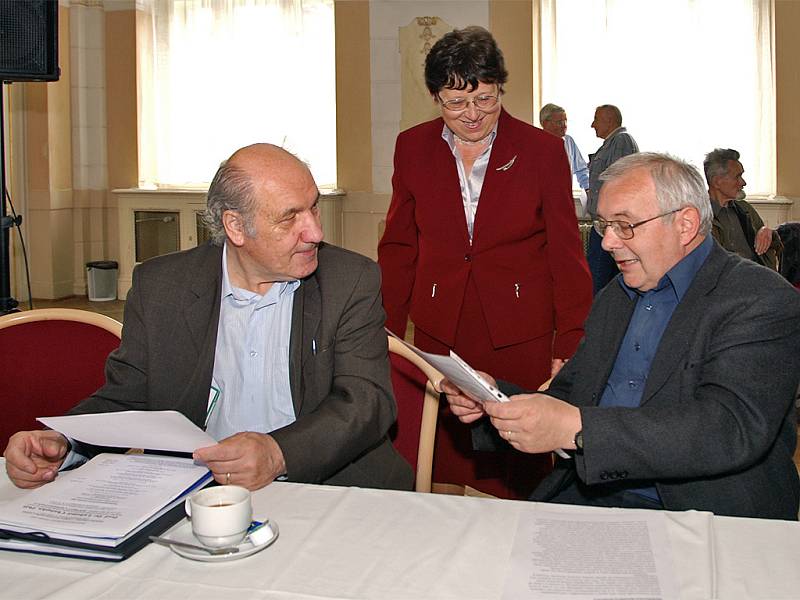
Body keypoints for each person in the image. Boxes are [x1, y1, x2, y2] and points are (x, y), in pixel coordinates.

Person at [5, 143, 413, 492]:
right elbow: (126, 397)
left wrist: (278, 452)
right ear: (235, 226)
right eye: (290, 217)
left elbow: (366, 401)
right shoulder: (162, 287)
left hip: (327, 486)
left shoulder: (349, 280)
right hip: (196, 489)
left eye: (313, 209)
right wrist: (62, 439)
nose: (314, 232)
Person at [443, 152, 800, 519]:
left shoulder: (760, 298)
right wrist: (496, 401)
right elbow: (571, 394)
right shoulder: (619, 294)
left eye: (625, 225)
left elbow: (727, 427)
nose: (608, 242)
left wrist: (577, 429)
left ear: (685, 224)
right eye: (604, 225)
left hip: (708, 514)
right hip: (593, 494)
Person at [378, 26, 592, 499]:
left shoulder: (541, 151)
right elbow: (400, 246)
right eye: (456, 103)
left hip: (520, 329)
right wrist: (386, 332)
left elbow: (565, 251)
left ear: (500, 90)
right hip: (441, 327)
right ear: (435, 97)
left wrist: (570, 338)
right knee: (447, 461)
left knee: (518, 463)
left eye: (485, 100)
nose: (472, 115)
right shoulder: (412, 148)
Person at [587, 104, 639, 295]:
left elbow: (618, 181)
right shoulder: (611, 143)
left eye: (596, 119)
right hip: (604, 226)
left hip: (609, 227)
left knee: (599, 282)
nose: (593, 125)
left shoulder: (621, 141)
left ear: (609, 121)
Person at [703, 148, 780, 269]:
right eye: (737, 177)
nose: (743, 183)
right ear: (717, 182)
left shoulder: (745, 209)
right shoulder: (699, 215)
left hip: (759, 276)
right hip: (728, 282)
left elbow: (776, 246)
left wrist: (768, 232)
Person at [539, 103, 589, 193]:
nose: (564, 125)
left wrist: (588, 189)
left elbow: (581, 169)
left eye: (565, 121)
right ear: (545, 123)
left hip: (564, 196)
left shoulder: (569, 141)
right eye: (559, 122)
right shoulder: (535, 144)